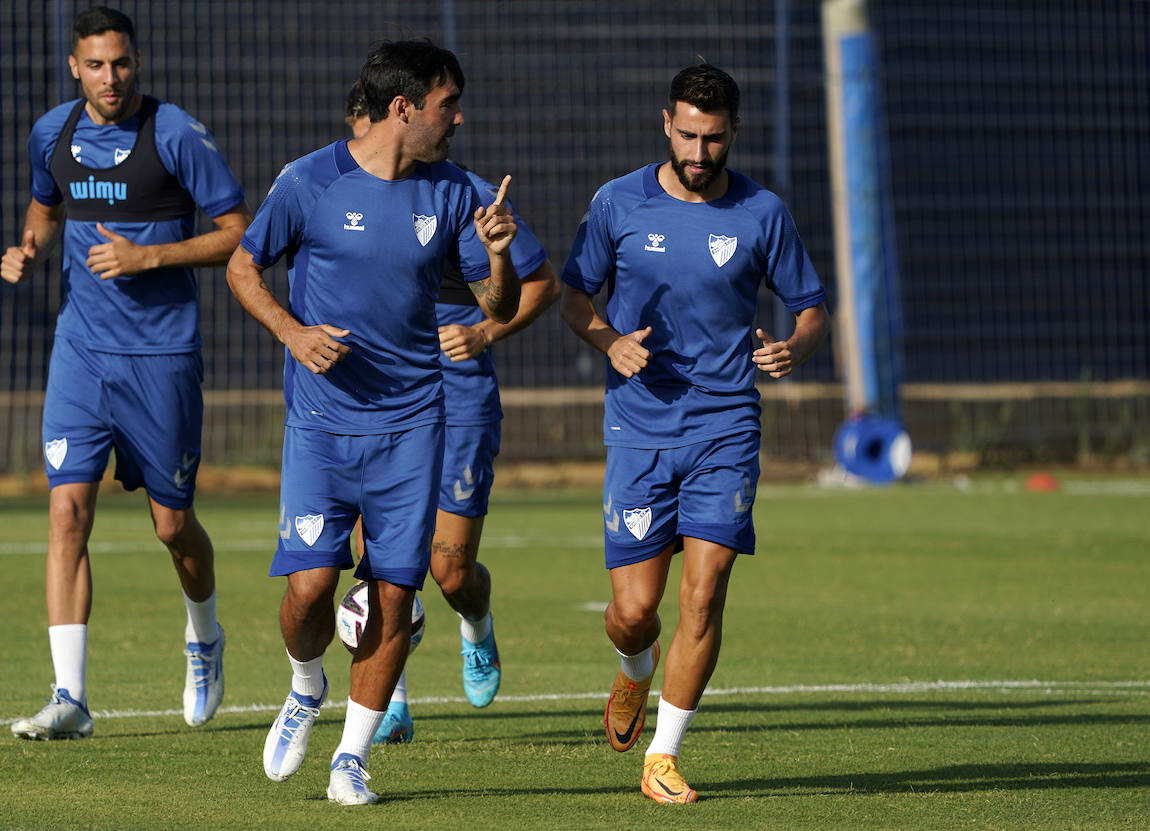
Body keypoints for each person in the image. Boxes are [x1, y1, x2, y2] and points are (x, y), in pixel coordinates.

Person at [226, 41, 521, 805]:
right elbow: (241, 267)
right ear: (404, 108)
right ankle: (303, 685)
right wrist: (292, 333)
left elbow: (499, 306)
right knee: (309, 588)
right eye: (447, 104)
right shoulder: (308, 180)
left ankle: (351, 759)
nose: (459, 118)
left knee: (394, 596)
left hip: (413, 426)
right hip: (322, 426)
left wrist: (498, 258)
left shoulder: (455, 193)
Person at [559, 63, 830, 803]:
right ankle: (635, 669)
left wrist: (792, 349)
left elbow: (811, 311)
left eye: (713, 138)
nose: (700, 152)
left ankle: (663, 757)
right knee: (634, 612)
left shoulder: (763, 212)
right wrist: (609, 340)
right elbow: (574, 296)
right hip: (640, 429)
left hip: (726, 426)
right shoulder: (617, 204)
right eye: (687, 134)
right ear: (666, 124)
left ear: (733, 131)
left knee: (703, 595)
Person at [0, 6, 251, 740]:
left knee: (173, 526)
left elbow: (240, 232)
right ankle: (69, 696)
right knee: (66, 510)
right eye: (97, 65)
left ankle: (204, 635)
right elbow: (44, 209)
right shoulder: (53, 132)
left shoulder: (173, 134)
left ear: (135, 63)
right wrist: (29, 249)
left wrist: (149, 257)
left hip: (162, 356)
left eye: (123, 63)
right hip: (80, 351)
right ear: (74, 68)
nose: (112, 78)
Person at [342, 82, 559, 744]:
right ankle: (391, 700)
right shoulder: (334, 190)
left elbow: (543, 284)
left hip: (458, 396)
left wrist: (484, 334)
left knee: (450, 570)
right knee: (376, 560)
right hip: (377, 396)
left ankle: (477, 624)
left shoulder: (461, 195)